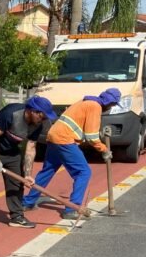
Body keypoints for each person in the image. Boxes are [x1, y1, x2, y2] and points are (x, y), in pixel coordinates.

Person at [22, 88, 115, 220]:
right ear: (109, 103)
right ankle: (72, 209)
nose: (111, 108)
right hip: (64, 139)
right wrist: (104, 149)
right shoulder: (95, 107)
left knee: (47, 171)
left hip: (54, 135)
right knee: (83, 172)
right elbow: (91, 137)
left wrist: (100, 136)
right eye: (112, 105)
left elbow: (83, 128)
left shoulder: (85, 101)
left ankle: (28, 202)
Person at [0, 96, 56, 232]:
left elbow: (31, 147)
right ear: (32, 111)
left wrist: (28, 174)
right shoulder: (11, 113)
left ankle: (17, 216)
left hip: (11, 150)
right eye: (42, 115)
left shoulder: (38, 124)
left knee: (17, 183)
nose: (44, 119)